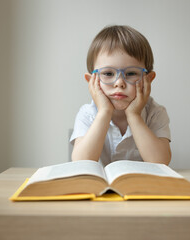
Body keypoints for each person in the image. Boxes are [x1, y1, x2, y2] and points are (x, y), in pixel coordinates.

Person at [70, 25, 171, 167]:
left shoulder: (155, 112)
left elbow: (161, 162)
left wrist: (134, 115)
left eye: (131, 73)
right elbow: (80, 162)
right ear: (91, 81)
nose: (119, 83)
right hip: (102, 188)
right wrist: (104, 112)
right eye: (108, 73)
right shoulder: (88, 114)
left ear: (148, 79)